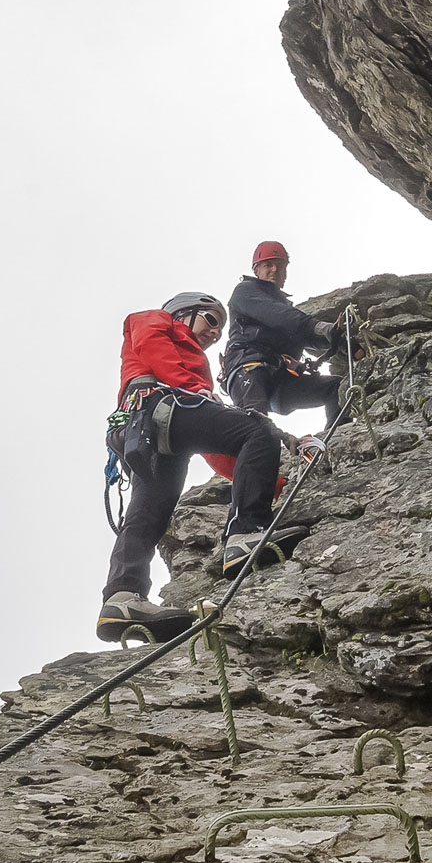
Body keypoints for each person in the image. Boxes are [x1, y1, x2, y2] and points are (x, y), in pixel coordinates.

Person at [98, 292, 300, 643]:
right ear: (183, 313)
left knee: (148, 512)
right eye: (210, 320)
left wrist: (277, 483)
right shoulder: (155, 319)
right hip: (163, 405)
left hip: (147, 429)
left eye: (219, 330)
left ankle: (122, 596)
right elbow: (151, 344)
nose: (214, 333)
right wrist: (194, 389)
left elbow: (218, 448)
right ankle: (244, 533)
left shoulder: (189, 372)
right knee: (257, 428)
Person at [221, 241, 345, 430]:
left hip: (281, 380)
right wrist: (317, 326)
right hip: (250, 368)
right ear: (256, 270)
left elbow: (304, 336)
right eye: (268, 265)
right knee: (256, 425)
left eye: (281, 266)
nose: (275, 270)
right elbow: (279, 316)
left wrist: (336, 336)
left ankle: (338, 436)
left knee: (336, 388)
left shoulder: (285, 308)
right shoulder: (245, 291)